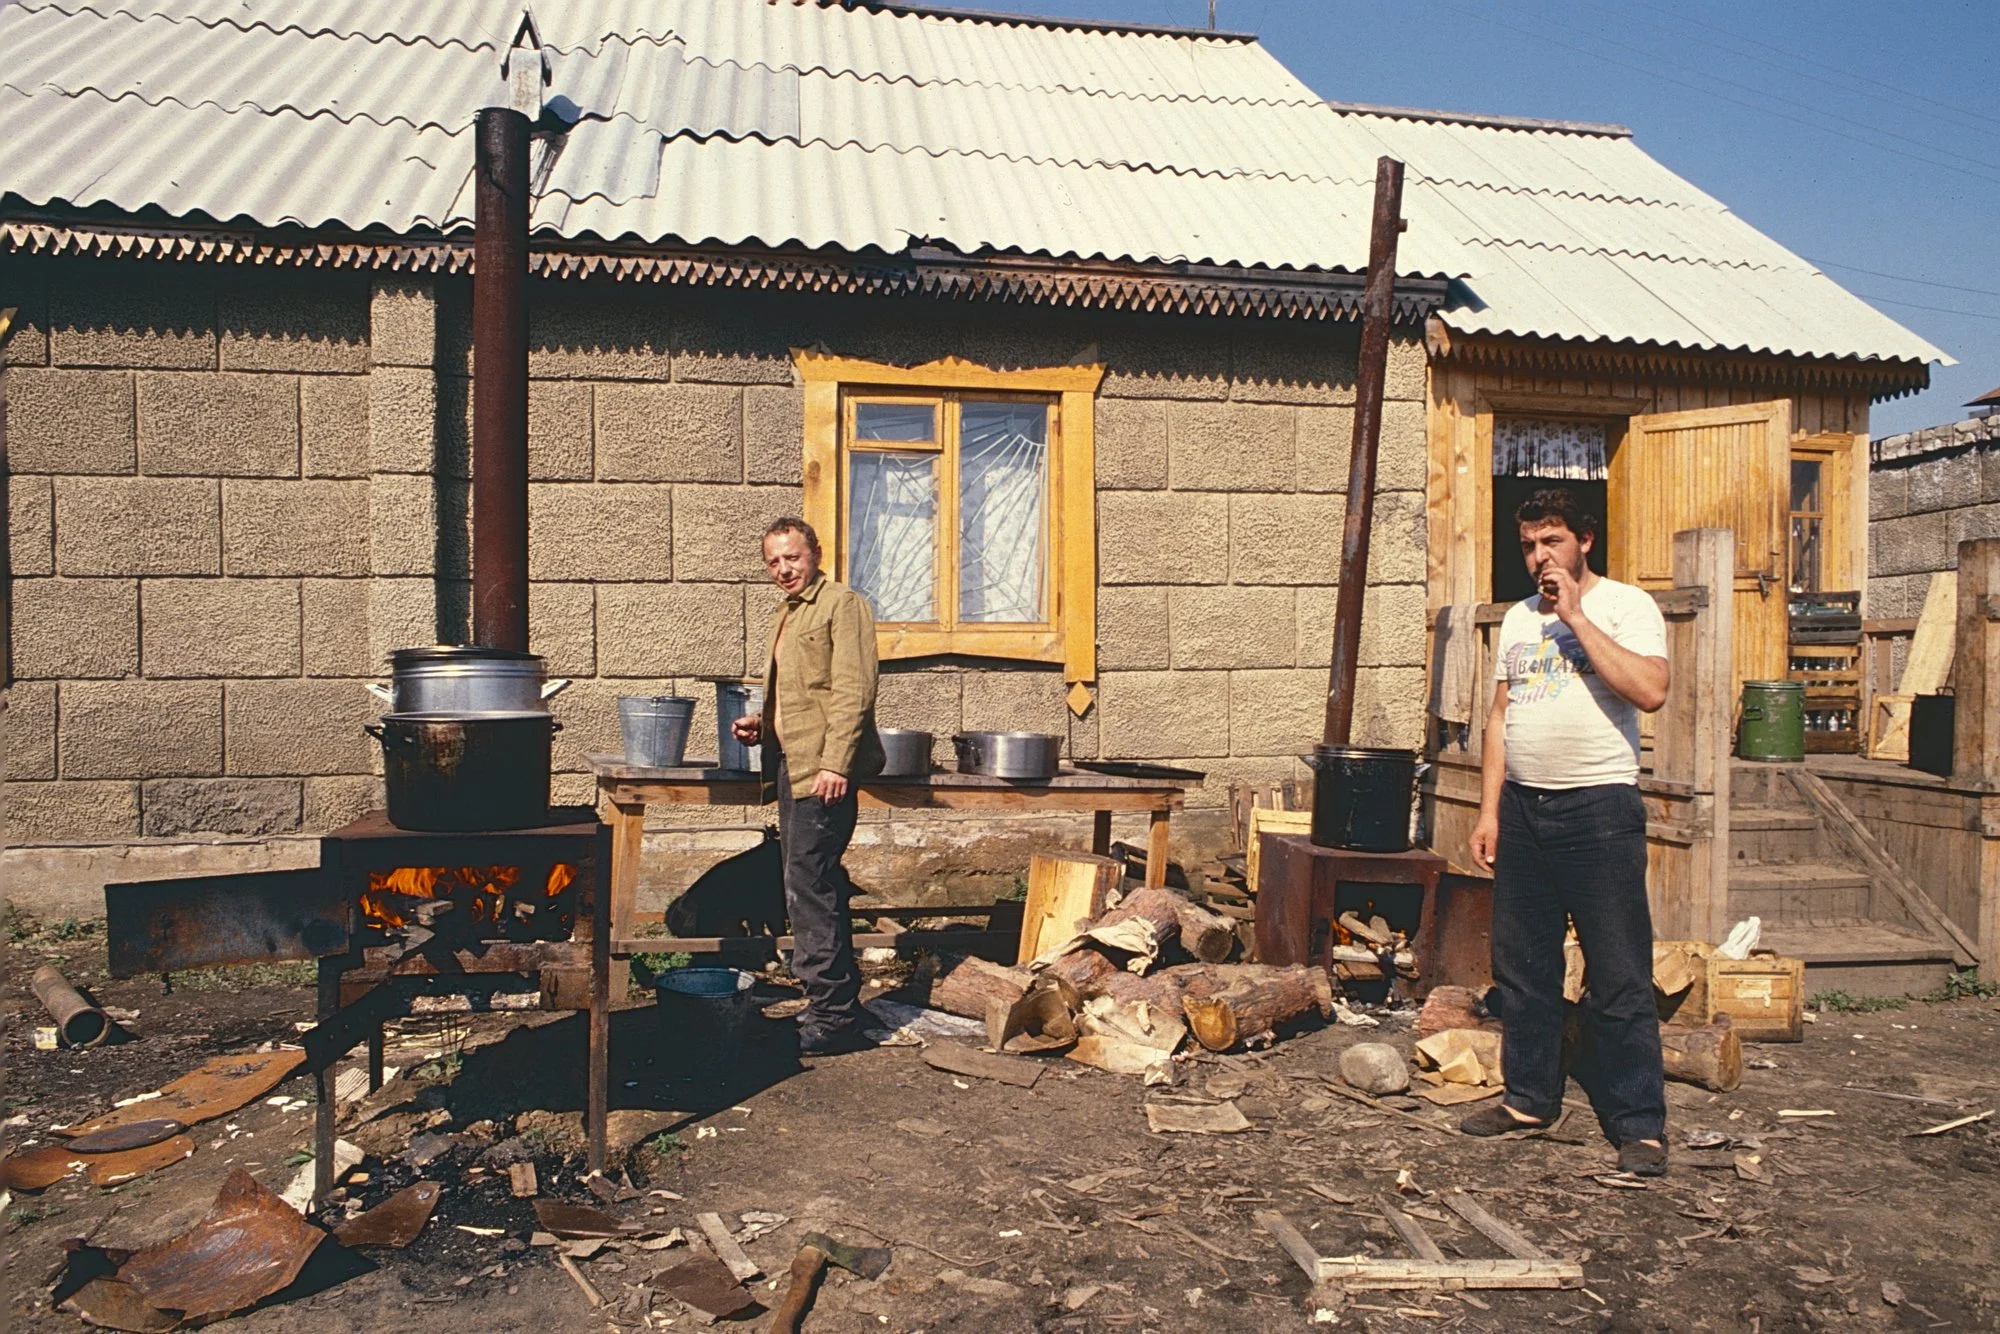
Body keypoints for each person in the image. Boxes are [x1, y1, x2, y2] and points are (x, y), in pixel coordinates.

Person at [1464, 487, 1673, 1176]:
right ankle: (1529, 1097)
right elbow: (1500, 717)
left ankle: (1638, 1123)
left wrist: (1575, 615)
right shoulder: (1519, 621)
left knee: (1618, 973)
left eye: (1551, 541)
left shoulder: (1626, 606)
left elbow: (1650, 690)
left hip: (1598, 811)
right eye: (1528, 545)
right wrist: (1490, 811)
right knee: (1523, 966)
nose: (1538, 557)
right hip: (1525, 810)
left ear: (1584, 539)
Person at [731, 517, 886, 1055]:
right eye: (773, 562)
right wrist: (762, 722)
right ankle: (835, 1000)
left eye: (791, 558)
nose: (782, 570)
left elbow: (853, 690)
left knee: (809, 884)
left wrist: (838, 764)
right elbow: (805, 694)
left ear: (816, 553)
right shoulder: (789, 612)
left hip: (824, 773)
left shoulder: (843, 605)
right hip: (796, 764)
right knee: (809, 883)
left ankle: (835, 1015)